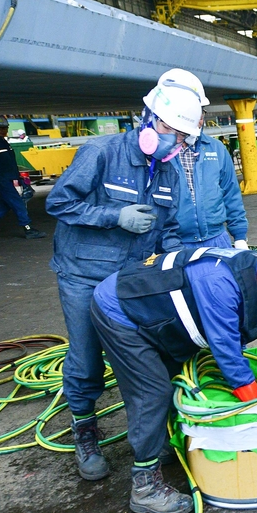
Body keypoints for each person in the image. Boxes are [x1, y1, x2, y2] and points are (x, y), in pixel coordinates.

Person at [90, 240, 257, 513]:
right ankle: (145, 487)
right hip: (121, 311)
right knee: (152, 392)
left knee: (174, 376)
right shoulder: (218, 282)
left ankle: (162, 444)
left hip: (156, 314)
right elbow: (226, 349)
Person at [46, 73, 201, 482]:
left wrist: (178, 265)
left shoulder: (168, 175)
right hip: (83, 273)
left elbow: (168, 231)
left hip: (129, 280)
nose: (176, 142)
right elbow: (60, 203)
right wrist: (115, 216)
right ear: (149, 120)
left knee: (146, 356)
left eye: (183, 136)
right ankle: (84, 430)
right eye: (171, 130)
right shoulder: (100, 151)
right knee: (86, 358)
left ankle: (150, 434)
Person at [158, 69, 250, 250]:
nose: (198, 121)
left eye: (201, 114)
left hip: (217, 240)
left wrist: (239, 235)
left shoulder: (215, 149)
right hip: (175, 244)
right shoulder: (157, 154)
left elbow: (231, 194)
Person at [0, 116, 45, 239]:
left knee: (4, 205)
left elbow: (9, 162)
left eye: (5, 128)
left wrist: (18, 177)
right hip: (1, 179)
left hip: (7, 178)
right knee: (18, 203)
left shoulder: (3, 142)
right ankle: (28, 228)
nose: (3, 130)